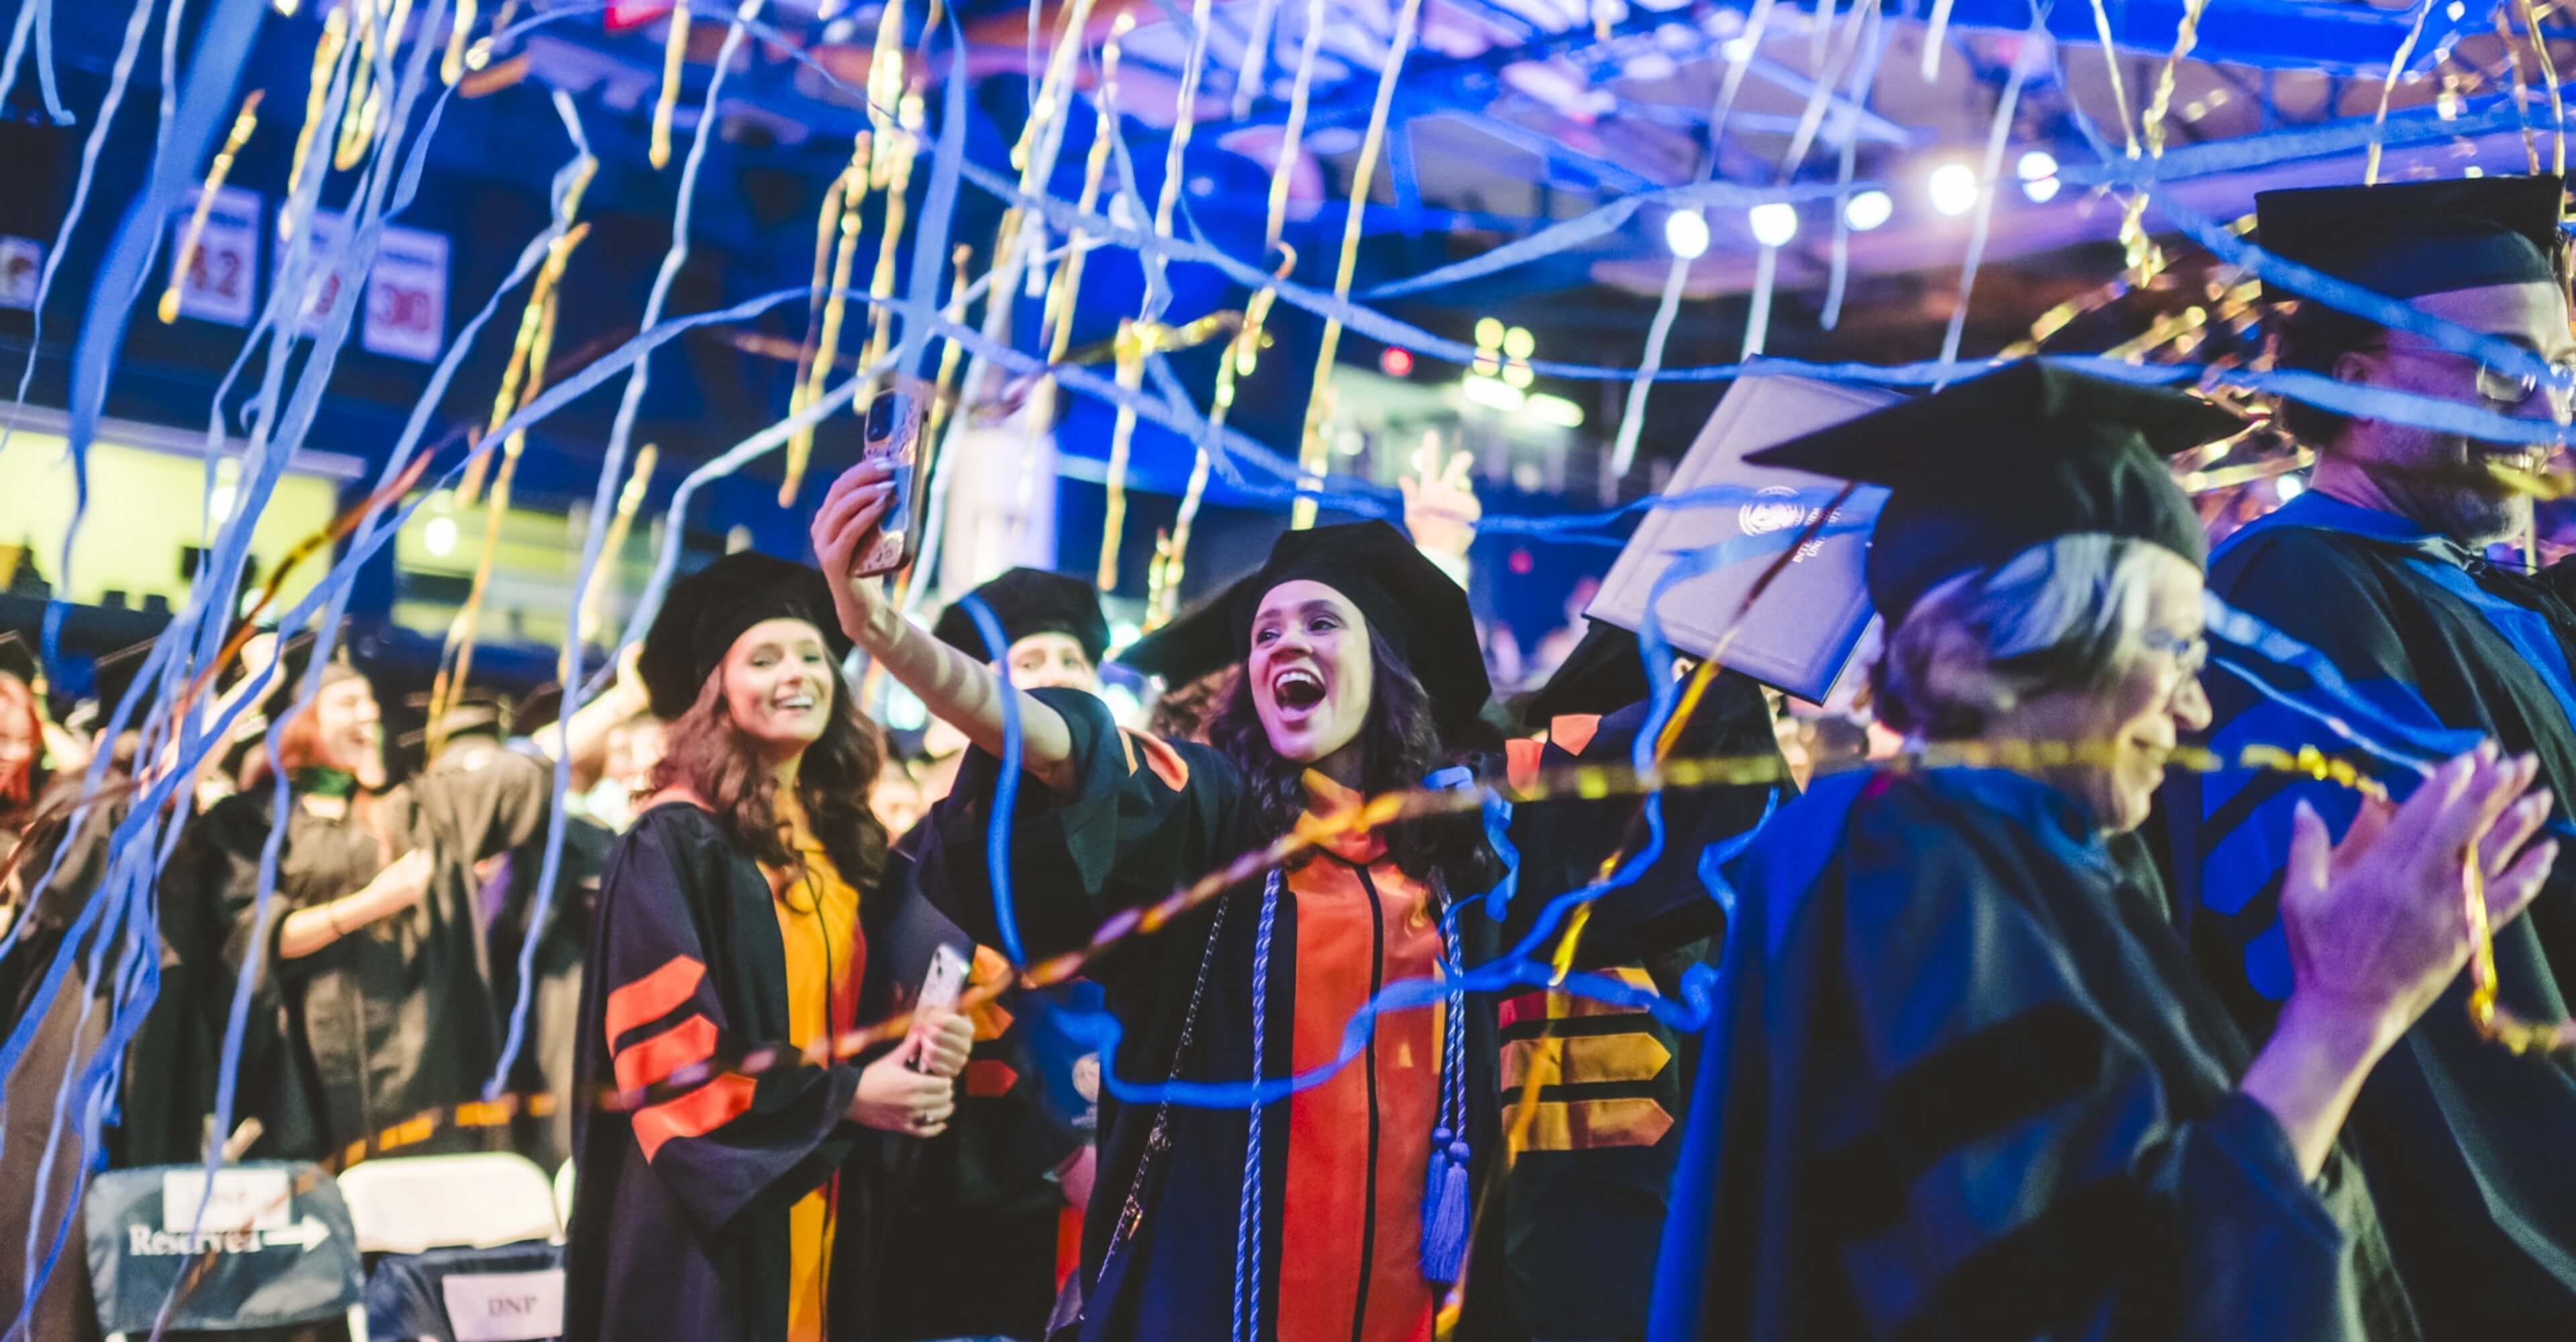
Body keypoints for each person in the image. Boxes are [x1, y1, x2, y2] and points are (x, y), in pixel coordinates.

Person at [1647, 362, 2555, 1341]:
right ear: (2025, 637)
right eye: (2173, 650)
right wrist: (2343, 1012)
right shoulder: (1912, 860)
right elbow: (2086, 1297)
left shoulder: (2036, 860)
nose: (2197, 707)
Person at [818, 466, 1536, 1340]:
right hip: (1223, 1297)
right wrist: (881, 630)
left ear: (1385, 666)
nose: (1285, 645)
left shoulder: (1461, 863)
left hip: (1412, 1302)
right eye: (1267, 631)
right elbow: (1062, 747)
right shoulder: (1217, 826)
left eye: (1320, 622)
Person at [2178, 173, 2576, 1327]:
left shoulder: (2496, 600)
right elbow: (2423, 982)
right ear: (2347, 384)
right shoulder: (2297, 593)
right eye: (2500, 369)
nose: (2546, 412)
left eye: (2557, 369)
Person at [564, 551, 974, 1342]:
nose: (798, 674)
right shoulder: (672, 842)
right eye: (764, 657)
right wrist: (848, 1094)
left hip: (829, 1203)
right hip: (708, 1232)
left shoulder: (845, 846)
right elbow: (666, 1059)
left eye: (813, 655)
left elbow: (869, 1009)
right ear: (714, 693)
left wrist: (921, 1041)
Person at [171, 631, 643, 1164]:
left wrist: (625, 699)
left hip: (425, 1080)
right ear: (301, 720)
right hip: (309, 1085)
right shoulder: (251, 823)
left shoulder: (414, 809)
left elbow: (525, 767)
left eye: (371, 702)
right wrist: (370, 904)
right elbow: (256, 935)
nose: (370, 714)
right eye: (348, 703)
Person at [879, 566, 1112, 1342]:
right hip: (986, 1195)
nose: (1056, 679)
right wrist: (1063, 1152)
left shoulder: (1130, 832)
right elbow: (942, 1004)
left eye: (1072, 662)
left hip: (1124, 1163)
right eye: (1030, 663)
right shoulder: (938, 848)